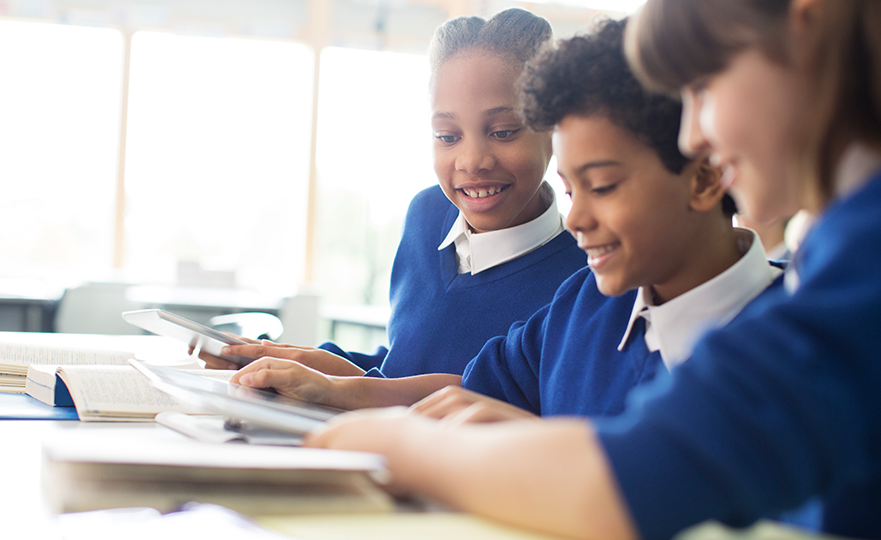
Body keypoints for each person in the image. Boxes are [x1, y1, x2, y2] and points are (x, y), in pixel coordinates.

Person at [302, 1, 881, 539]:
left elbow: (640, 476)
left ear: (808, 20)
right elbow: (473, 390)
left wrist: (402, 447)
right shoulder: (588, 302)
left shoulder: (854, 258)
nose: (694, 134)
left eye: (705, 85)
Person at [233, 19, 783, 424]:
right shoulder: (582, 304)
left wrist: (540, 443)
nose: (580, 219)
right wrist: (314, 378)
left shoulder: (793, 335)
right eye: (571, 189)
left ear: (707, 177)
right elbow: (457, 388)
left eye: (604, 186)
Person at [203, 8, 587, 384]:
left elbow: (491, 408)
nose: (472, 161)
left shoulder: (582, 283)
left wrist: (339, 388)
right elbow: (402, 367)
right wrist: (288, 360)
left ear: (553, 127)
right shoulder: (428, 216)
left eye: (503, 131)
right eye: (447, 136)